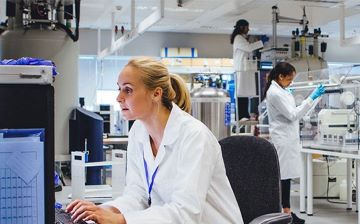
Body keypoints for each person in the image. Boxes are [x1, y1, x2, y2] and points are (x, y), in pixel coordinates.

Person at [66, 57, 244, 224]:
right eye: (119, 88)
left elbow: (186, 213)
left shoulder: (194, 136)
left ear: (156, 94)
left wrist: (121, 220)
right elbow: (138, 195)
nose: (119, 98)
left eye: (128, 89)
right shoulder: (138, 131)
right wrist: (100, 211)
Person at [264, 62, 325, 224]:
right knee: (283, 177)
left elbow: (296, 112)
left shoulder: (282, 90)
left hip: (289, 139)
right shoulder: (275, 93)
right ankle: (284, 213)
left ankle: (287, 212)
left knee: (287, 176)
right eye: (289, 79)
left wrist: (313, 98)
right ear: (280, 77)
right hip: (283, 140)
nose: (291, 82)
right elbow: (292, 115)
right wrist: (311, 97)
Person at [231, 19, 263, 121]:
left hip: (244, 69)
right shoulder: (238, 38)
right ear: (241, 27)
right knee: (241, 93)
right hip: (241, 69)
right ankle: (241, 115)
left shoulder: (241, 38)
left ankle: (245, 114)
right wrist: (260, 43)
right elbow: (248, 48)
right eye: (247, 27)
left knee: (244, 93)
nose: (248, 29)